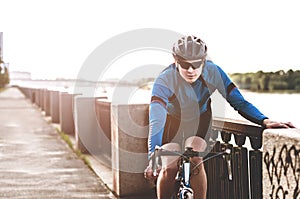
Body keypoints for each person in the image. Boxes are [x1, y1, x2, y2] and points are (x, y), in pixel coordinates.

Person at [144, 35, 295, 199]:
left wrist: (264, 120)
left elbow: (239, 102)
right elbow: (157, 120)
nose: (190, 70)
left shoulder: (213, 72)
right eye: (185, 64)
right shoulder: (164, 80)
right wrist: (153, 156)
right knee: (169, 167)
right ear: (176, 61)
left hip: (199, 119)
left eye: (196, 64)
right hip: (172, 121)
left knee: (195, 159)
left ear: (203, 61)